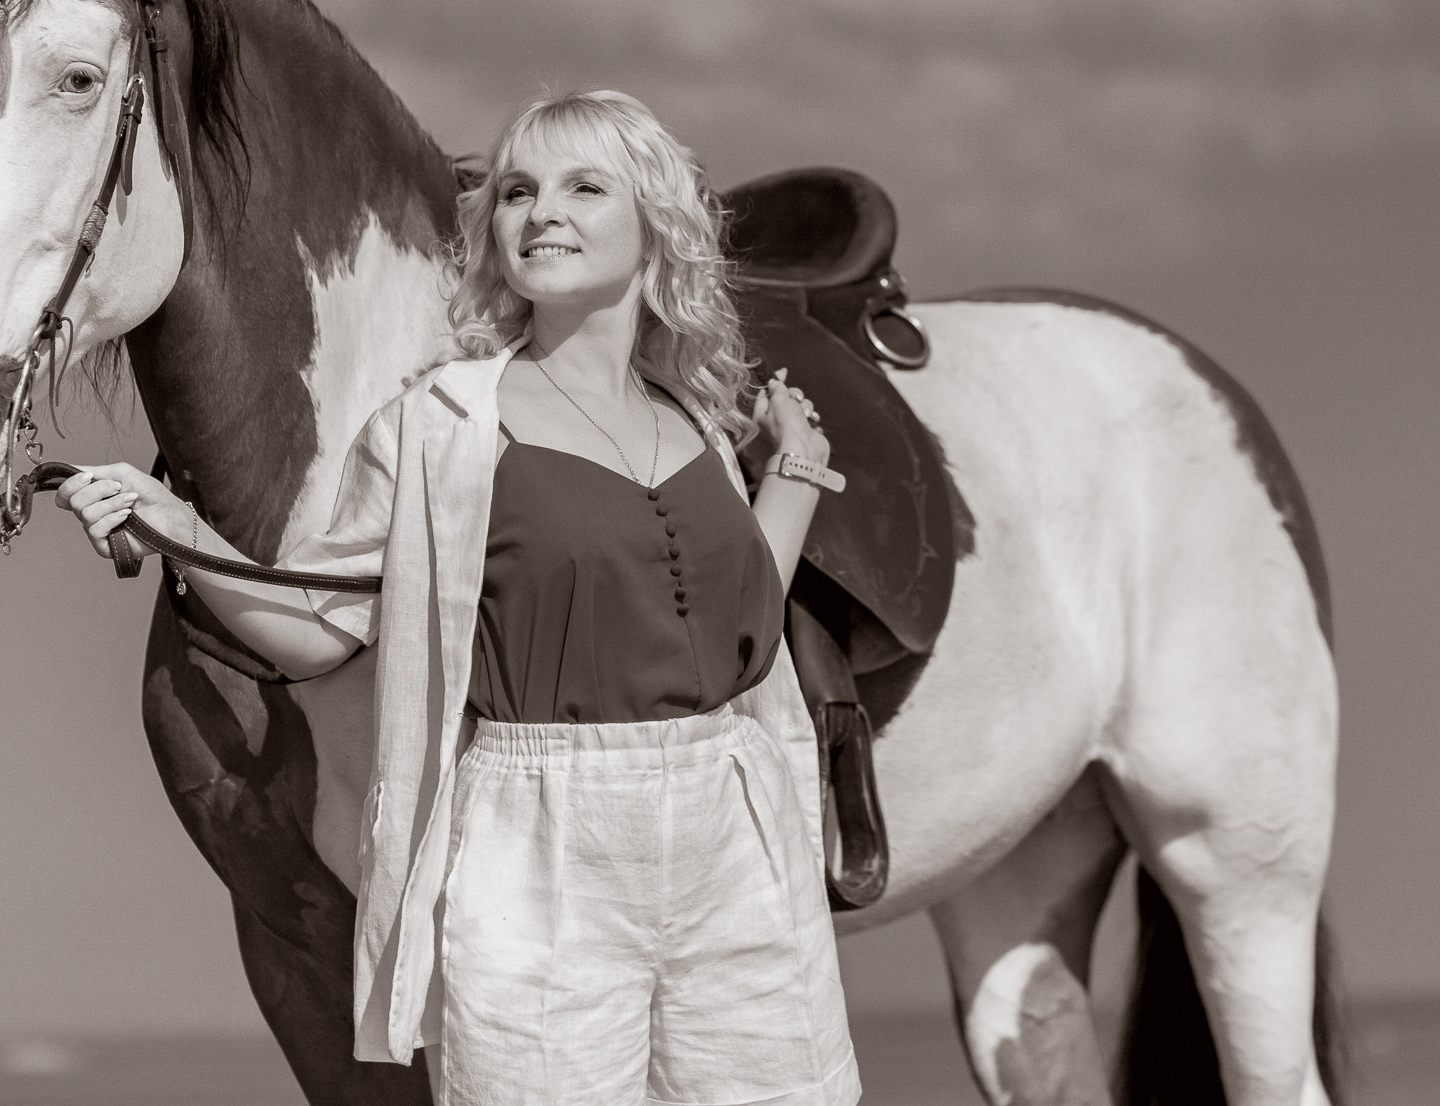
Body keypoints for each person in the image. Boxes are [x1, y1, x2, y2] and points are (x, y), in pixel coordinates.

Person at [57, 89, 860, 1106]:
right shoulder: (440, 424)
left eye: (582, 186)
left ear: (653, 223)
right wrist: (178, 532)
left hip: (733, 829)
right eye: (519, 190)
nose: (541, 211)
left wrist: (791, 479)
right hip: (546, 841)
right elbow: (318, 634)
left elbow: (741, 633)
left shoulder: (692, 417)